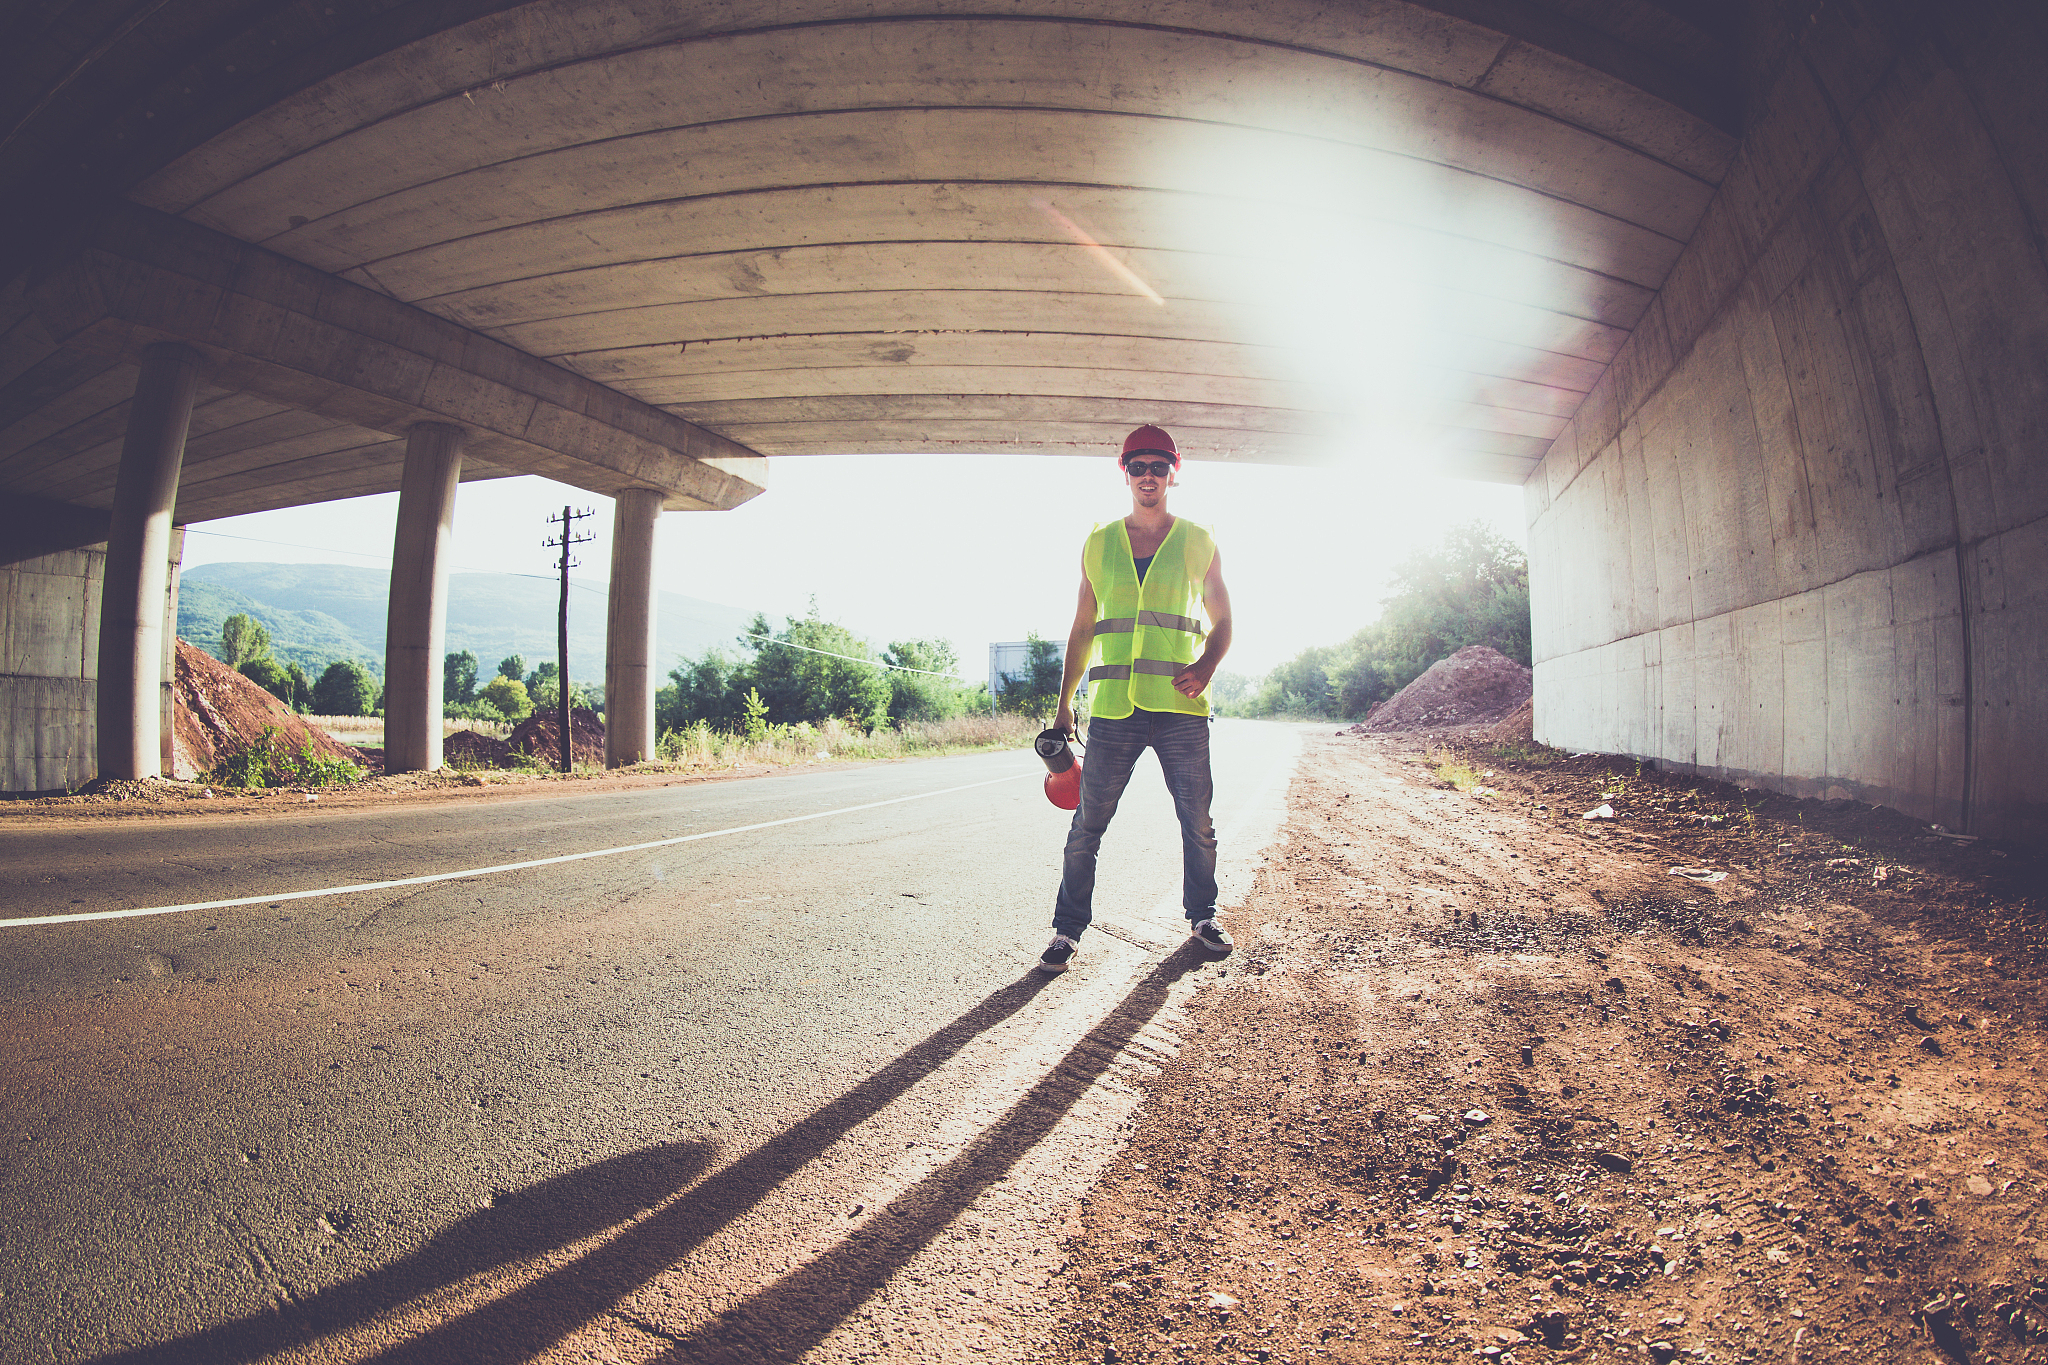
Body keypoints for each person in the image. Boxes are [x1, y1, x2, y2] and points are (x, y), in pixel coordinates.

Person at [1037, 425, 1234, 973]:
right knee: (1087, 825)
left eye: (1158, 466)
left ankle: (1203, 917)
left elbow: (1225, 621)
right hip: (1115, 710)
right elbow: (1081, 629)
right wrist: (1063, 705)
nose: (1148, 475)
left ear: (1175, 473)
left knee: (1197, 823)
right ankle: (1066, 932)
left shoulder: (1198, 540)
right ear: (1124, 473)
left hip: (1180, 710)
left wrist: (1206, 665)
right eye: (1137, 466)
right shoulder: (1099, 543)